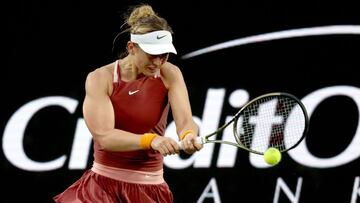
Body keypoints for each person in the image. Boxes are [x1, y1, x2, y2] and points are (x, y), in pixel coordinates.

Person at [53, 3, 202, 203]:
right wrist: (152, 140)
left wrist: (188, 135)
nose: (158, 62)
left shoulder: (170, 74)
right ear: (131, 48)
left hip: (150, 189)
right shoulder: (100, 79)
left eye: (164, 55)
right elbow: (105, 137)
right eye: (152, 54)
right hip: (101, 188)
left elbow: (185, 121)